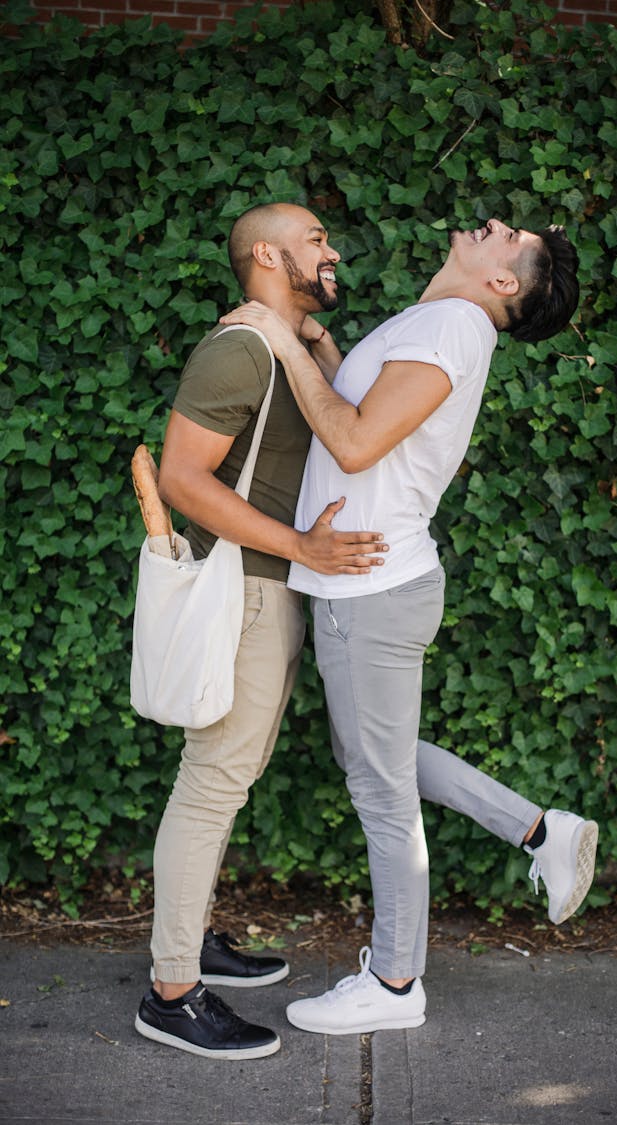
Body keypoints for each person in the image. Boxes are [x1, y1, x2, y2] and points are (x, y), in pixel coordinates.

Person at [217, 216, 599, 1036]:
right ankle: (540, 829)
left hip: (372, 588)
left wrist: (275, 342)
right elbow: (361, 406)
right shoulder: (438, 320)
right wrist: (312, 339)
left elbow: (353, 442)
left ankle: (395, 982)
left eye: (509, 237)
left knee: (380, 788)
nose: (494, 224)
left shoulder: (456, 326)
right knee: (377, 759)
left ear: (504, 283)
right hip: (372, 583)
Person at [134, 203, 389, 1060]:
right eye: (317, 239)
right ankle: (172, 989)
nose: (335, 251)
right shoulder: (238, 348)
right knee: (213, 781)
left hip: (264, 588)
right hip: (241, 587)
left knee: (224, 778)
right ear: (270, 255)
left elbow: (355, 419)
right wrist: (299, 545)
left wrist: (305, 338)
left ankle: (191, 935)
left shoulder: (278, 344)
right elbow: (179, 476)